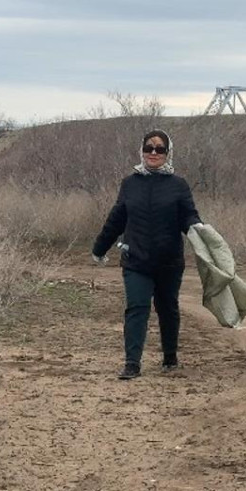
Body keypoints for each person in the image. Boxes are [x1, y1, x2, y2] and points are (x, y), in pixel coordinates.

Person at [92, 129, 202, 380]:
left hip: (169, 262)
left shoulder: (178, 185)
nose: (153, 153)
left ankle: (170, 357)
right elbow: (117, 218)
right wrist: (100, 248)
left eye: (159, 149)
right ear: (141, 151)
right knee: (136, 307)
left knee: (167, 308)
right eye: (149, 148)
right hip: (136, 260)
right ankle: (132, 363)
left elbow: (188, 216)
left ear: (168, 153)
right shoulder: (129, 184)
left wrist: (198, 231)